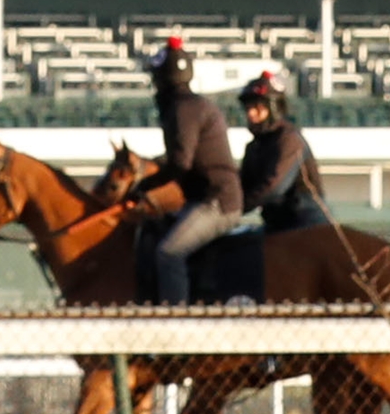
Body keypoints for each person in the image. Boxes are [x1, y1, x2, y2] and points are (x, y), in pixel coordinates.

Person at [130, 36, 241, 303]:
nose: (154, 85)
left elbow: (180, 164)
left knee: (168, 253)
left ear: (165, 80)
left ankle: (177, 322)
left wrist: (147, 185)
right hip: (201, 199)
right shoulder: (186, 105)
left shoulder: (184, 109)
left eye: (156, 78)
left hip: (216, 202)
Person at [237, 69, 331, 232]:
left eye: (258, 107)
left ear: (274, 108)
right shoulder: (253, 147)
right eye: (248, 108)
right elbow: (242, 186)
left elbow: (273, 187)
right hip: (276, 224)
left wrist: (236, 209)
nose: (251, 114)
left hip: (305, 224)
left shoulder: (289, 140)